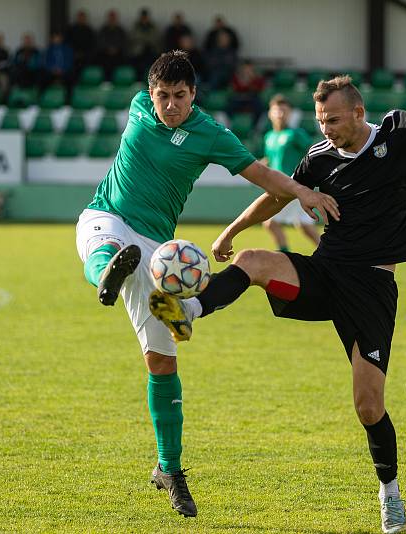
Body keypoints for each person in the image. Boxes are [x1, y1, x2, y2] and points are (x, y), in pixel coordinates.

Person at [150, 41, 406, 534]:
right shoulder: (319, 157)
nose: (325, 129)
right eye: (320, 121)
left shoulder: (398, 131)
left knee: (369, 406)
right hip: (326, 274)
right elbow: (275, 193)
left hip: (372, 287)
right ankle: (190, 310)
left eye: (332, 120)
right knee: (255, 260)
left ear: (358, 112)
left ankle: (390, 494)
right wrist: (230, 232)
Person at [74, 50, 338, 518]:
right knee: (104, 246)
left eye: (179, 96)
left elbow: (261, 174)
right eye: (162, 96)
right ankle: (107, 278)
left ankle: (168, 468)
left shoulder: (211, 135)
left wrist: (302, 192)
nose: (169, 105)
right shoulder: (138, 106)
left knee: (161, 360)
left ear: (193, 95)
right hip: (108, 215)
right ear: (149, 93)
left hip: (158, 250)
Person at [261, 94, 320, 252]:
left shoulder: (296, 134)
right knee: (304, 224)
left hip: (292, 185)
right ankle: (332, 254)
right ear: (270, 113)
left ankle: (284, 255)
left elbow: (312, 153)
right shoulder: (269, 137)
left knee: (270, 222)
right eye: (277, 110)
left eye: (284, 111)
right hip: (277, 186)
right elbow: (271, 158)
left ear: (290, 114)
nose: (280, 114)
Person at [227, 60, 266, 127]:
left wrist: (251, 80)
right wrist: (243, 81)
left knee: (259, 107)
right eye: (245, 69)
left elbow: (258, 88)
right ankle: (231, 124)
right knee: (229, 107)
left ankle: (255, 126)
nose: (247, 71)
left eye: (249, 69)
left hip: (252, 98)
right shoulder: (237, 77)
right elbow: (236, 88)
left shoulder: (257, 78)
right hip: (239, 98)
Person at [129, 8, 161, 79]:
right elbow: (134, 38)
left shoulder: (153, 27)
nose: (144, 19)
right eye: (143, 17)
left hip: (151, 49)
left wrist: (145, 40)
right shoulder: (136, 27)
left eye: (145, 17)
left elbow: (156, 38)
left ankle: (153, 79)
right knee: (137, 62)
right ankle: (138, 79)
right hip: (138, 51)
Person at [96, 9, 127, 78]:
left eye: (114, 17)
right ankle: (106, 80)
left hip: (118, 53)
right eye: (111, 17)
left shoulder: (120, 30)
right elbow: (100, 42)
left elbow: (123, 42)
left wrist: (116, 49)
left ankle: (118, 80)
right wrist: (108, 49)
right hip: (105, 53)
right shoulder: (103, 30)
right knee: (102, 60)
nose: (112, 19)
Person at [66, 9, 96, 75]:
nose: (81, 19)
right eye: (80, 17)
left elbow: (92, 44)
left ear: (85, 18)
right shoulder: (71, 29)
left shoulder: (89, 30)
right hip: (74, 55)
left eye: (83, 17)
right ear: (77, 18)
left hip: (86, 56)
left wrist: (84, 54)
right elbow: (68, 43)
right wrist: (75, 53)